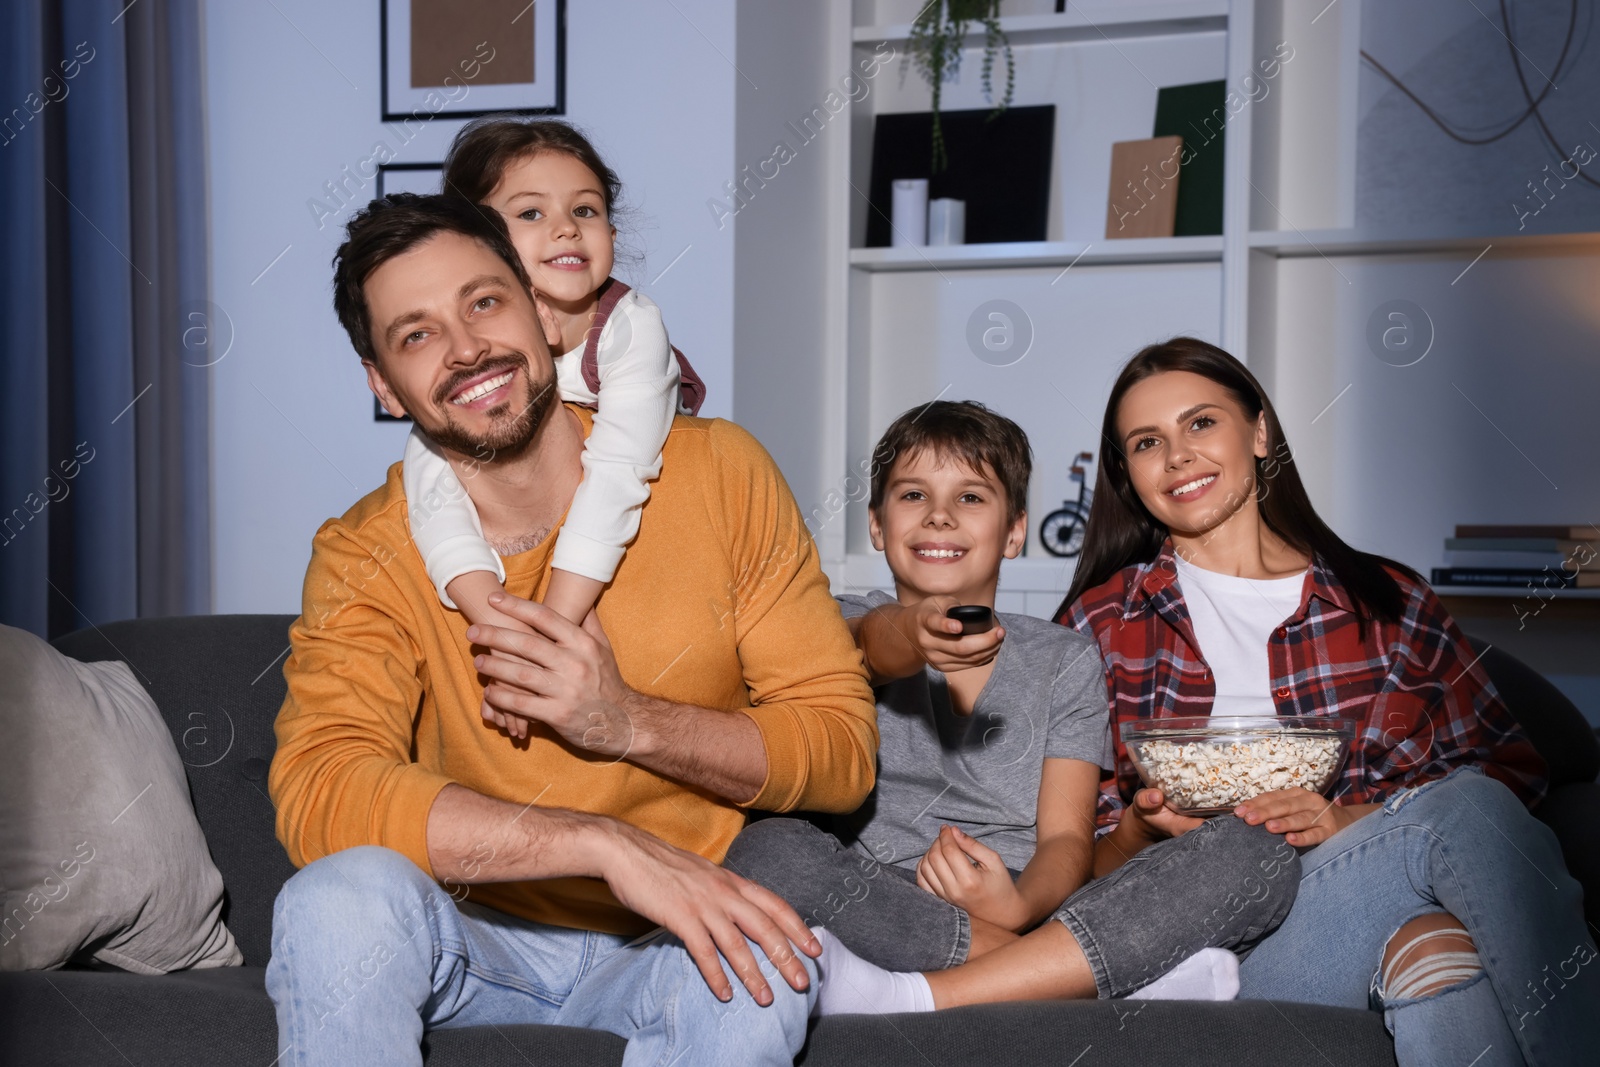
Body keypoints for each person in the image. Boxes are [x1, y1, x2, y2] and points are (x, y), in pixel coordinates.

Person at [265, 192, 879, 1066]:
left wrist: (625, 721)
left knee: (766, 970)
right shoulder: (366, 550)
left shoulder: (718, 472)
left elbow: (842, 749)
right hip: (474, 943)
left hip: (674, 940)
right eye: (416, 334)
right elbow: (323, 787)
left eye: (483, 302)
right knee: (336, 897)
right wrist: (601, 843)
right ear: (383, 386)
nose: (468, 348)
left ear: (541, 311)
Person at [1055, 336, 1594, 1066]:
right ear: (1128, 473)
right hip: (1187, 950)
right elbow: (1059, 865)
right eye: (1148, 441)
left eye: (1201, 423)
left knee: (1436, 951)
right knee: (1442, 901)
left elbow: (1511, 769)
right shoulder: (1099, 625)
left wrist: (1351, 820)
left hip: (1346, 905)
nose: (1178, 455)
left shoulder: (1387, 601)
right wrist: (1141, 834)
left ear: (1260, 431)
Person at [727, 400, 1300, 1014]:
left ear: (1016, 531)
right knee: (768, 849)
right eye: (913, 495)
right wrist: (913, 632)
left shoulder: (1066, 658)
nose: (940, 517)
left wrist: (1019, 906)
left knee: (1257, 853)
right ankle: (1081, 976)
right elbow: (870, 644)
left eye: (971, 498)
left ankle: (921, 992)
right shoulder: (832, 621)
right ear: (875, 524)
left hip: (1037, 902)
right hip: (889, 902)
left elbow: (1065, 840)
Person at [400, 118, 705, 739]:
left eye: (585, 210)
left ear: (612, 234)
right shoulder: (474, 368)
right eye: (532, 212)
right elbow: (432, 489)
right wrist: (505, 640)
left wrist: (550, 631)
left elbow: (618, 476)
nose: (566, 227)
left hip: (645, 522)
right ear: (474, 240)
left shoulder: (630, 328)